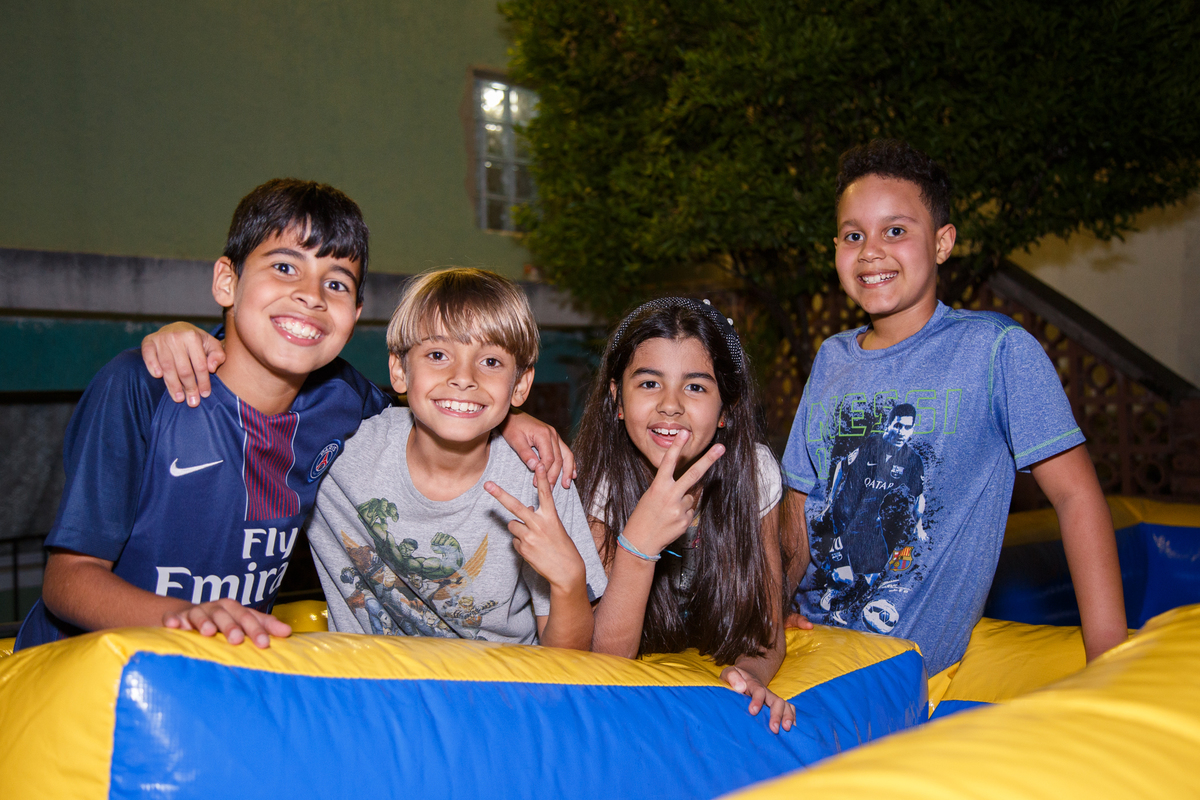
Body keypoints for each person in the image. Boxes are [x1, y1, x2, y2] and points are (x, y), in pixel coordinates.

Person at [17, 180, 568, 651]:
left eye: (335, 282)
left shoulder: (344, 402)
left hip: (226, 671)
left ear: (354, 315)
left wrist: (506, 418)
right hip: (87, 672)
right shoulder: (144, 385)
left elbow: (440, 406)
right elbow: (68, 582)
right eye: (285, 266)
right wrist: (182, 621)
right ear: (226, 282)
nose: (310, 295)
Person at [782, 139, 1127, 675]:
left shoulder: (993, 350)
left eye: (895, 230)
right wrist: (769, 609)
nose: (871, 250)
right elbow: (799, 506)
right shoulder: (832, 359)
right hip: (810, 645)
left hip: (897, 667)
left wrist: (1107, 654)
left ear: (942, 243)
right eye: (854, 235)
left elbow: (1076, 494)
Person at [305, 268, 606, 648]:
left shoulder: (538, 479)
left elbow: (568, 660)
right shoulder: (336, 449)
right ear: (399, 370)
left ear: (521, 384)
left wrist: (569, 581)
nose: (464, 377)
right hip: (371, 692)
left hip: (493, 694)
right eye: (437, 354)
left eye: (491, 362)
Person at [576, 298, 795, 733]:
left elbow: (766, 630)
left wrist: (750, 675)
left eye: (695, 387)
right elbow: (605, 659)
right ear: (618, 400)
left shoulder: (754, 472)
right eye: (649, 383)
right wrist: (638, 544)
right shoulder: (600, 485)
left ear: (727, 409)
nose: (671, 405)